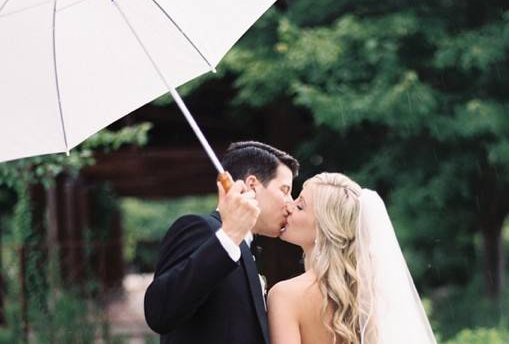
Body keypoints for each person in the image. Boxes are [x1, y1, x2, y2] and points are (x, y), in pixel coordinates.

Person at [144, 141, 298, 344]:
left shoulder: (247, 247)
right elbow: (160, 312)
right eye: (285, 190)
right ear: (252, 186)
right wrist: (229, 235)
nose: (291, 204)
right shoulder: (200, 229)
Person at [269, 172, 437, 344]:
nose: (289, 207)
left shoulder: (285, 296)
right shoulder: (371, 294)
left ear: (324, 228)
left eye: (300, 206)